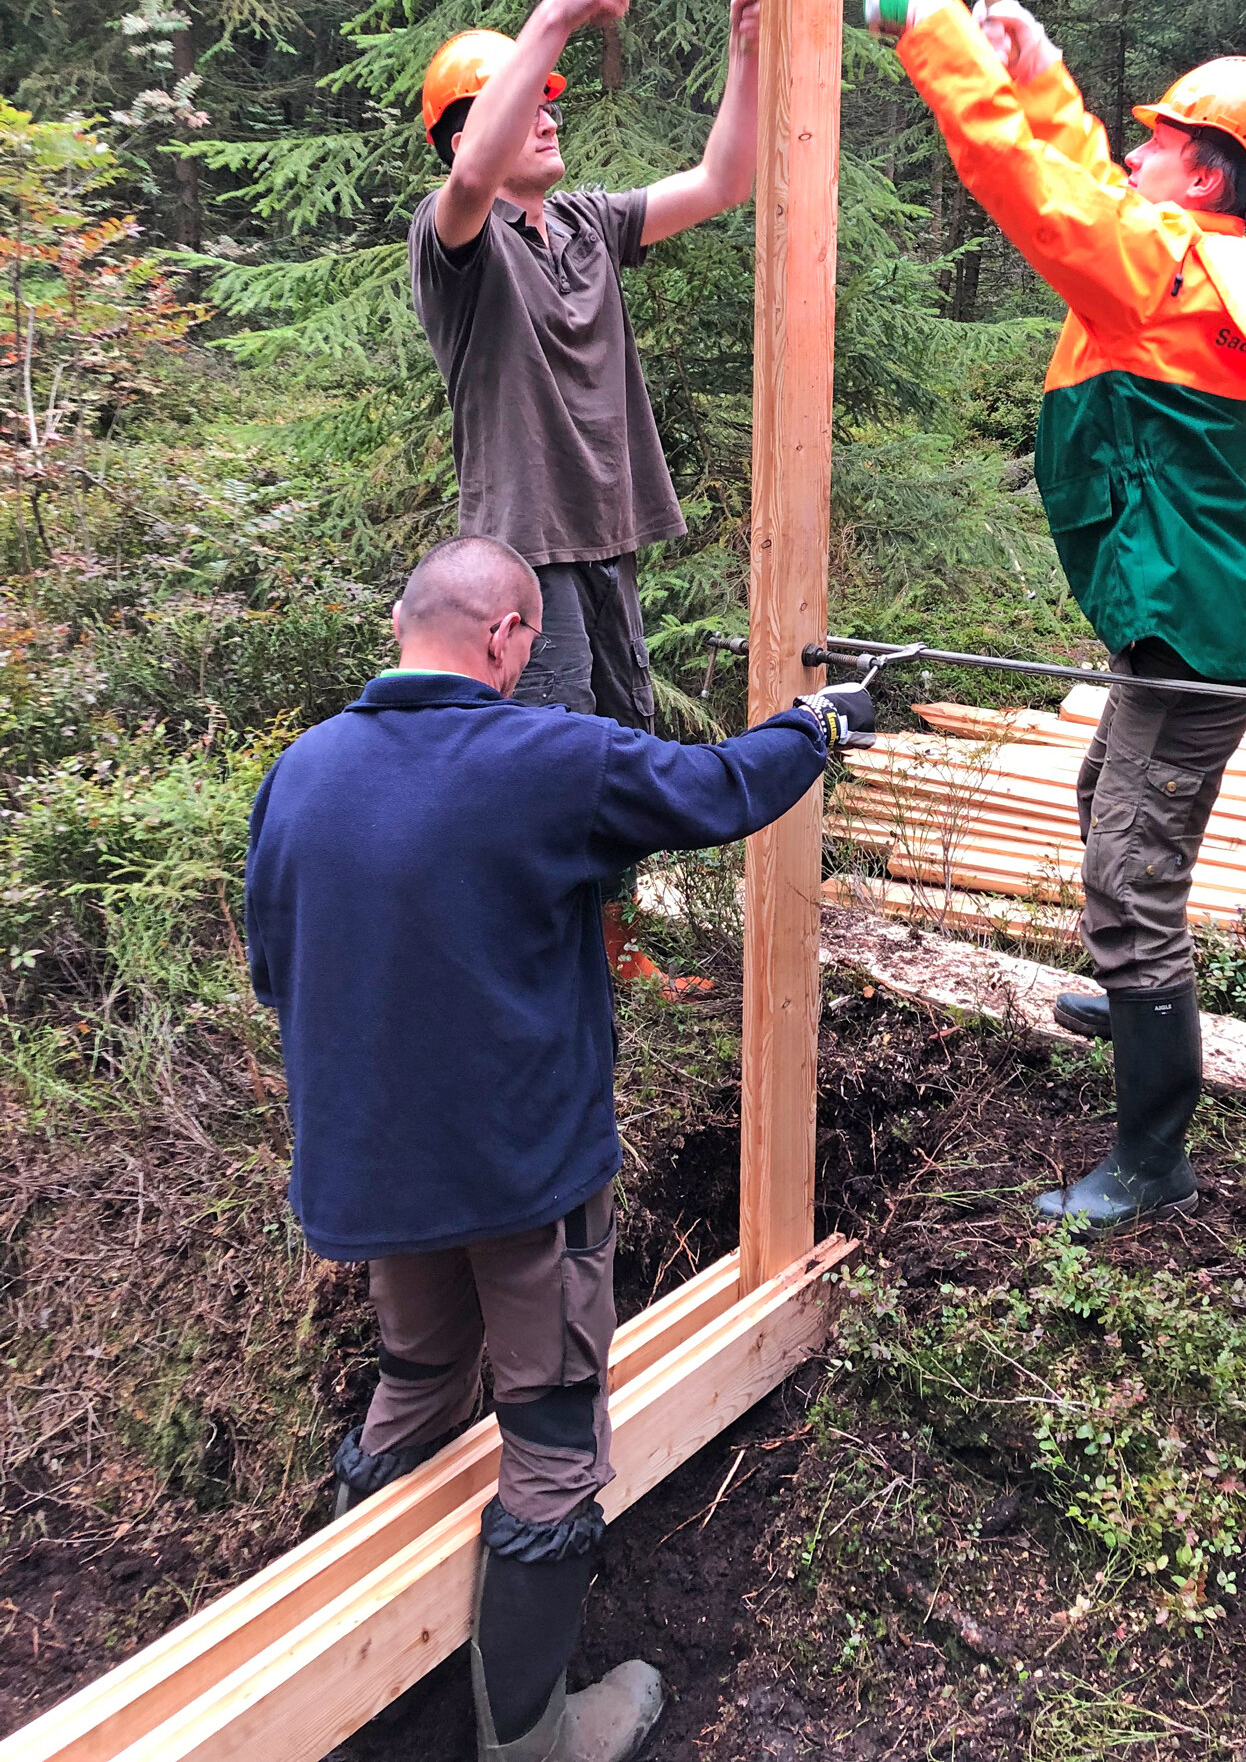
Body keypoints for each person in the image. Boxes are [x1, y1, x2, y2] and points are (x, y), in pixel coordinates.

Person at [245, 536, 868, 1762]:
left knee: (417, 1378)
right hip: (522, 1174)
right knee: (549, 1427)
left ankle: (373, 1684)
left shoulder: (302, 772)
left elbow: (280, 969)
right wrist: (817, 726)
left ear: (401, 620)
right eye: (529, 641)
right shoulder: (548, 758)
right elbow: (717, 790)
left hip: (372, 1173)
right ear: (507, 636)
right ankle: (529, 1738)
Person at [859, 0, 1246, 1229]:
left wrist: (933, 36)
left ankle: (1152, 1154)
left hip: (1190, 635)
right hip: (1170, 619)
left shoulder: (1160, 280)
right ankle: (1130, 997)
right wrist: (1040, 67)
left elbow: (1026, 187)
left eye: (1163, 138)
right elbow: (1081, 173)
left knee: (1131, 877)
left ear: (1209, 173)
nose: (1140, 150)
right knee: (1099, 799)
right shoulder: (1188, 257)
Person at [411, 0, 762, 993]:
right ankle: (531, 954)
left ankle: (608, 949)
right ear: (469, 132)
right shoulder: (454, 241)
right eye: (529, 101)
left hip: (604, 539)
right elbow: (472, 175)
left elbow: (721, 180)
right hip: (525, 552)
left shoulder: (587, 225)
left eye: (557, 101)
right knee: (545, 756)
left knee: (612, 742)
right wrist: (558, 7)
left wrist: (745, 58)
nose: (551, 113)